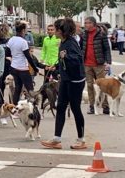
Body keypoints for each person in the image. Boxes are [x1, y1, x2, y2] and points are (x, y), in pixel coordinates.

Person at [41, 18, 87, 151]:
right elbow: (63, 59)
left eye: (55, 29)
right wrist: (56, 66)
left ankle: (81, 140)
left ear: (62, 31)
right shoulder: (63, 41)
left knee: (75, 108)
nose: (54, 31)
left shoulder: (71, 43)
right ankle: (57, 139)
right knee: (60, 106)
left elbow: (78, 60)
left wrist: (65, 57)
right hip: (66, 79)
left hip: (75, 81)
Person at [82, 16, 111, 115]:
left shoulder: (101, 34)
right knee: (90, 86)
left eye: (88, 23)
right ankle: (92, 106)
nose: (86, 25)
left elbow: (107, 49)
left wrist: (108, 62)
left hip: (99, 64)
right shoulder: (84, 34)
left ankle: (105, 106)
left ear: (93, 24)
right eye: (85, 23)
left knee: (102, 86)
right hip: (87, 64)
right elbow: (82, 47)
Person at [9, 22, 38, 105]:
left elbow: (7, 52)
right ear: (23, 30)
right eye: (26, 29)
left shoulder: (11, 39)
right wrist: (35, 69)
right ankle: (33, 109)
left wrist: (15, 56)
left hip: (14, 67)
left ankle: (14, 108)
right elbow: (28, 57)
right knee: (30, 89)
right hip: (23, 69)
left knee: (17, 89)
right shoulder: (23, 42)